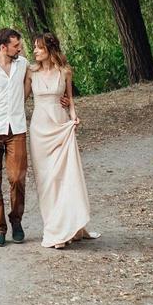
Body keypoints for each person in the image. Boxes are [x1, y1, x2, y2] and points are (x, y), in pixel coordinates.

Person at [0, 27, 63, 246]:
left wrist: (62, 97)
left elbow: (46, 73)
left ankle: (16, 220)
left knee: (17, 178)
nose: (21, 49)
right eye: (16, 46)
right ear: (4, 47)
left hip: (17, 131)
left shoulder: (23, 66)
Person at [24, 32, 98, 248]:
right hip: (39, 130)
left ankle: (66, 228)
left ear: (49, 49)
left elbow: (70, 100)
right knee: (46, 181)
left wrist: (74, 116)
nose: (35, 51)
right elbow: (21, 98)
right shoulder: (31, 73)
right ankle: (54, 228)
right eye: (34, 48)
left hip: (60, 125)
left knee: (65, 178)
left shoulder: (65, 72)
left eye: (39, 48)